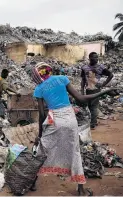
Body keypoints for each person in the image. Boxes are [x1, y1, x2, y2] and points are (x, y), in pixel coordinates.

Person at [31, 62, 118, 196]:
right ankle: (80, 189)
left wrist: (41, 135)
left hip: (54, 121)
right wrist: (105, 92)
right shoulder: (62, 78)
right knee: (75, 152)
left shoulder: (39, 89)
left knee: (42, 151)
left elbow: (42, 115)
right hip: (70, 119)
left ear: (37, 76)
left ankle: (31, 181)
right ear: (49, 69)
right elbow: (81, 99)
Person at [81, 52, 114, 129]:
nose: (96, 59)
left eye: (97, 57)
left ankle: (93, 124)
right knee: (89, 106)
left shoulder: (100, 67)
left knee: (94, 106)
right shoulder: (84, 67)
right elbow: (83, 79)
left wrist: (103, 84)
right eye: (94, 57)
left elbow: (110, 75)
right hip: (88, 89)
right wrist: (82, 90)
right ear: (90, 58)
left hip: (96, 90)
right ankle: (93, 121)